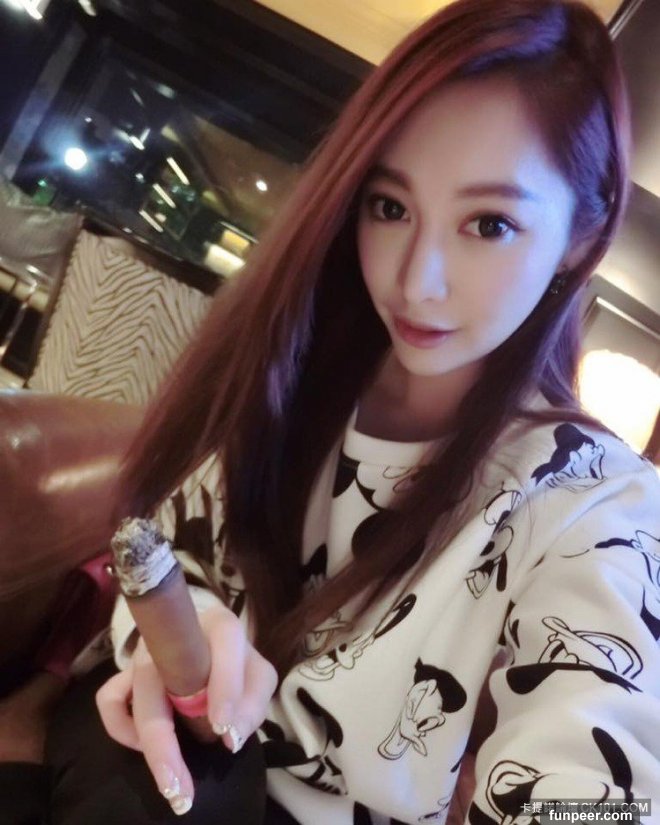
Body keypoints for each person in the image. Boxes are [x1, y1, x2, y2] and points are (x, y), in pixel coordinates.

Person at [1, 0, 659, 822]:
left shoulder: (593, 501)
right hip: (138, 767)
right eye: (390, 206)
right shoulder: (295, 374)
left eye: (488, 223)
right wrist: (183, 635)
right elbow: (167, 553)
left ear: (581, 236)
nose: (416, 278)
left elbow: (596, 758)